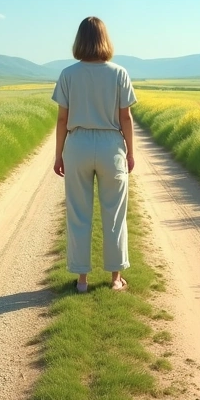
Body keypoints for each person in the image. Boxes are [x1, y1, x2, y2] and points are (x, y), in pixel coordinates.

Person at [52, 16, 137, 293]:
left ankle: (82, 280)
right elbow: (126, 118)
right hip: (112, 144)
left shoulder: (68, 74)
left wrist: (58, 155)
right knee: (114, 214)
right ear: (105, 39)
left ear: (79, 40)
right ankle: (115, 278)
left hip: (77, 145)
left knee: (78, 213)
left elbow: (62, 120)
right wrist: (131, 152)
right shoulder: (119, 73)